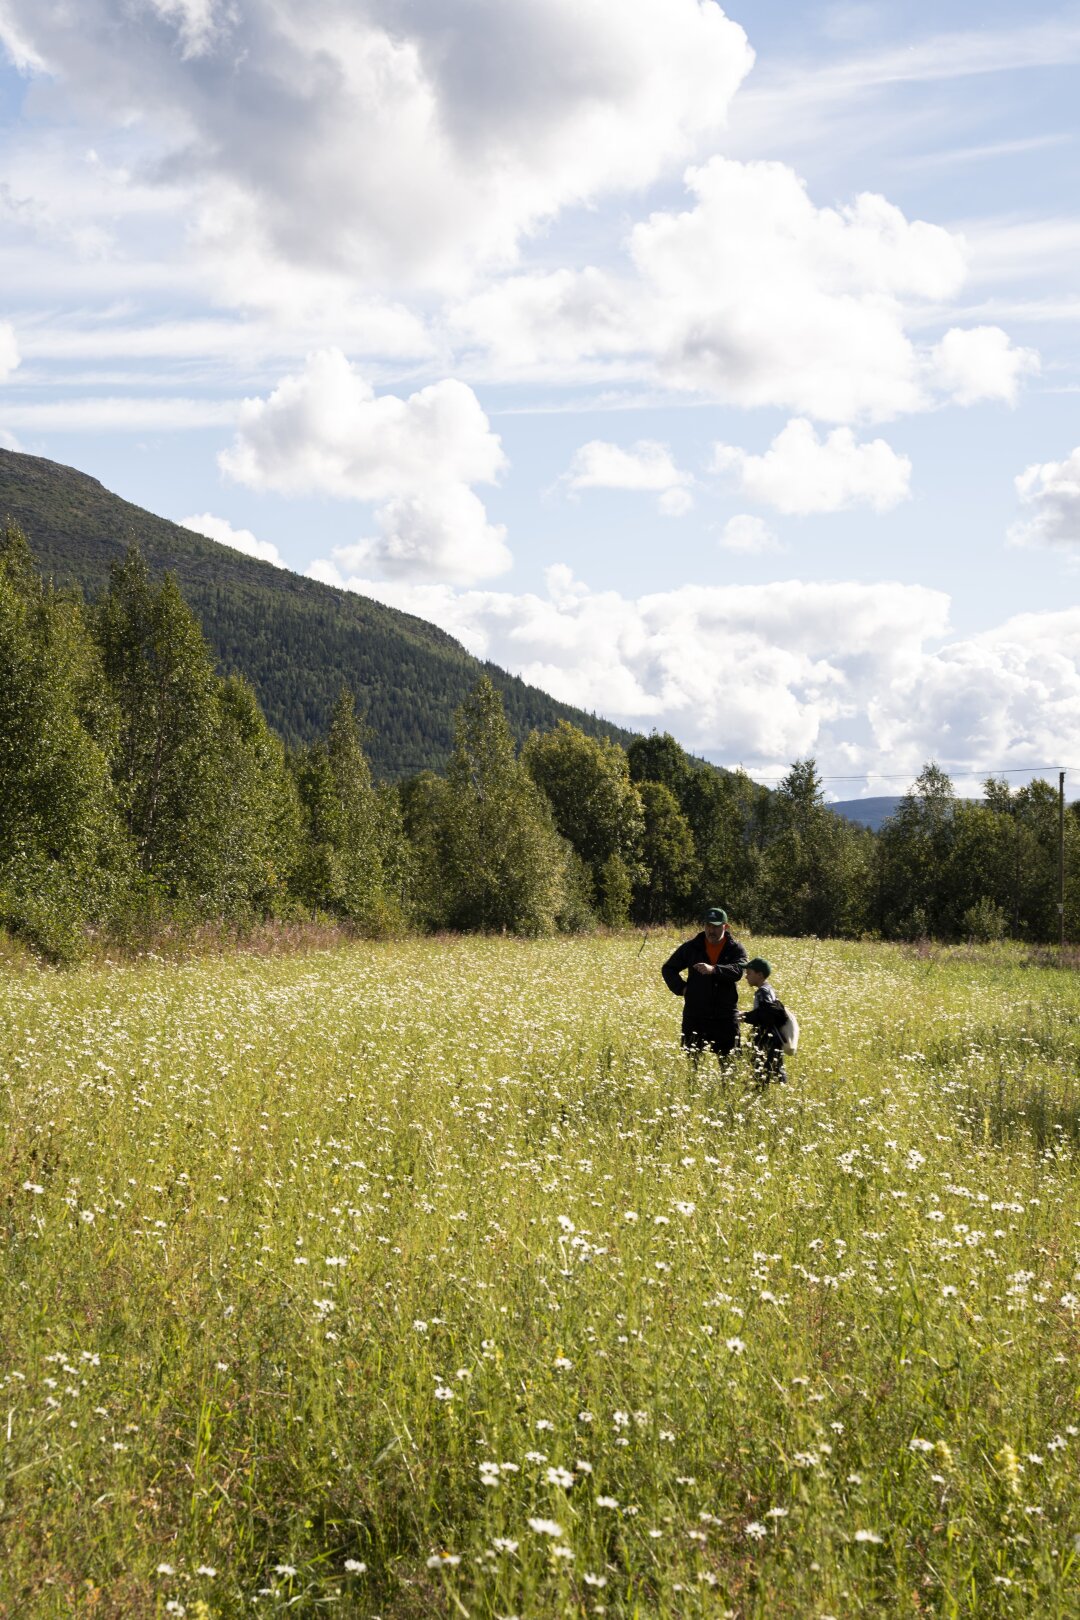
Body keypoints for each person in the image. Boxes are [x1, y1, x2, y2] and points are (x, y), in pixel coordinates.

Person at [662, 906, 748, 1063]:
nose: (711, 930)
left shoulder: (735, 948)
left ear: (725, 926)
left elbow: (738, 971)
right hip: (695, 1015)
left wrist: (714, 969)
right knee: (692, 1066)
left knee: (729, 1066)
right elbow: (668, 969)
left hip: (725, 1017)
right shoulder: (691, 947)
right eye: (708, 925)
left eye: (715, 926)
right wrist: (682, 988)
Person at [737, 957, 787, 1085]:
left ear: (759, 975)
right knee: (774, 1069)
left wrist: (745, 1016)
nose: (746, 977)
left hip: (765, 1037)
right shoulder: (769, 989)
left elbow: (765, 1014)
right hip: (773, 1037)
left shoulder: (762, 992)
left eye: (749, 973)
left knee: (762, 1072)